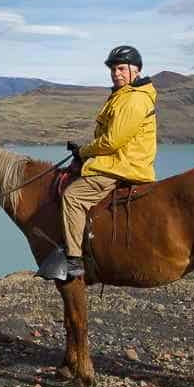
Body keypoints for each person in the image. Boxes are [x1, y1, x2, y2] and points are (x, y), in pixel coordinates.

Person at [61, 45, 158, 278]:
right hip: (119, 160)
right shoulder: (123, 96)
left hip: (123, 166)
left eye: (122, 69)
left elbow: (112, 141)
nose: (117, 73)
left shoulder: (133, 100)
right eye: (113, 69)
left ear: (136, 70)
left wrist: (84, 152)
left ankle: (74, 259)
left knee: (72, 197)